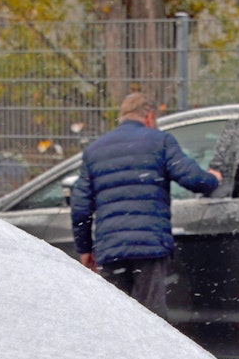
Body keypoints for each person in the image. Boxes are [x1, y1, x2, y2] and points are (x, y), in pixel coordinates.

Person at [70, 92, 222, 318]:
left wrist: (84, 249)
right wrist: (213, 178)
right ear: (150, 116)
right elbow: (193, 179)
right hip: (149, 246)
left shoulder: (95, 150)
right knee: (152, 316)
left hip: (111, 249)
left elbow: (80, 207)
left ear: (122, 116)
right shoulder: (160, 141)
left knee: (116, 315)